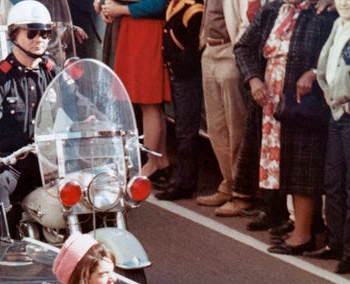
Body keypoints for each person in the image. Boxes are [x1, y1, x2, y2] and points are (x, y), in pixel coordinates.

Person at [234, 0, 337, 256]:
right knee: (280, 164)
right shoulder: (273, 9)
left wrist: (314, 72)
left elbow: (334, 52)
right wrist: (253, 78)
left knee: (304, 165)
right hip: (269, 98)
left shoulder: (323, 13)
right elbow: (243, 47)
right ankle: (292, 224)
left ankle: (303, 234)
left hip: (303, 102)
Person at [0, 0, 58, 235]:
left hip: (45, 160)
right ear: (14, 35)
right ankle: (4, 243)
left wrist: (95, 122)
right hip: (10, 162)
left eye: (45, 33)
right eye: (32, 33)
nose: (39, 39)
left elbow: (74, 103)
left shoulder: (51, 71)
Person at [307, 0, 350, 274]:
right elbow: (325, 65)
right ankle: (334, 241)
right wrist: (326, 90)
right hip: (336, 113)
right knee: (332, 181)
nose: (345, 2)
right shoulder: (338, 24)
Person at [100, 0, 173, 181]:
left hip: (146, 32)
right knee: (148, 104)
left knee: (149, 102)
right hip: (136, 29)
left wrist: (119, 9)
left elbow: (157, 4)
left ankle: (153, 162)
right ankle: (160, 160)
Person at [196, 0, 256, 216]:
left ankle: (242, 193)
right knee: (216, 127)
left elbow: (247, 20)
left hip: (229, 50)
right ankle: (228, 183)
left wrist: (238, 48)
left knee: (236, 127)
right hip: (210, 50)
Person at [155, 0, 206, 201]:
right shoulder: (179, 4)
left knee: (186, 130)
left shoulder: (194, 9)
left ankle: (186, 182)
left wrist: (180, 64)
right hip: (179, 75)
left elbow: (193, 48)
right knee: (182, 129)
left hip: (187, 76)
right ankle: (183, 178)